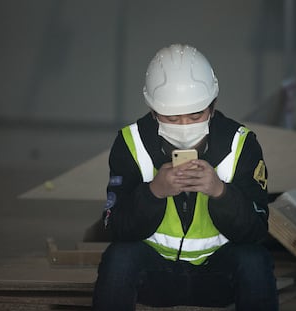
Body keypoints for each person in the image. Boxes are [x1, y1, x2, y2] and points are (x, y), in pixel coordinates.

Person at [92, 44, 278, 310]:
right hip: (155, 275)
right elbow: (115, 228)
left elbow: (257, 230)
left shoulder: (240, 144)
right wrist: (153, 192)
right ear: (153, 110)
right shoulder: (131, 143)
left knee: (255, 260)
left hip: (217, 274)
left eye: (195, 115)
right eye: (171, 117)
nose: (184, 127)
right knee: (119, 258)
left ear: (212, 106)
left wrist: (220, 192)